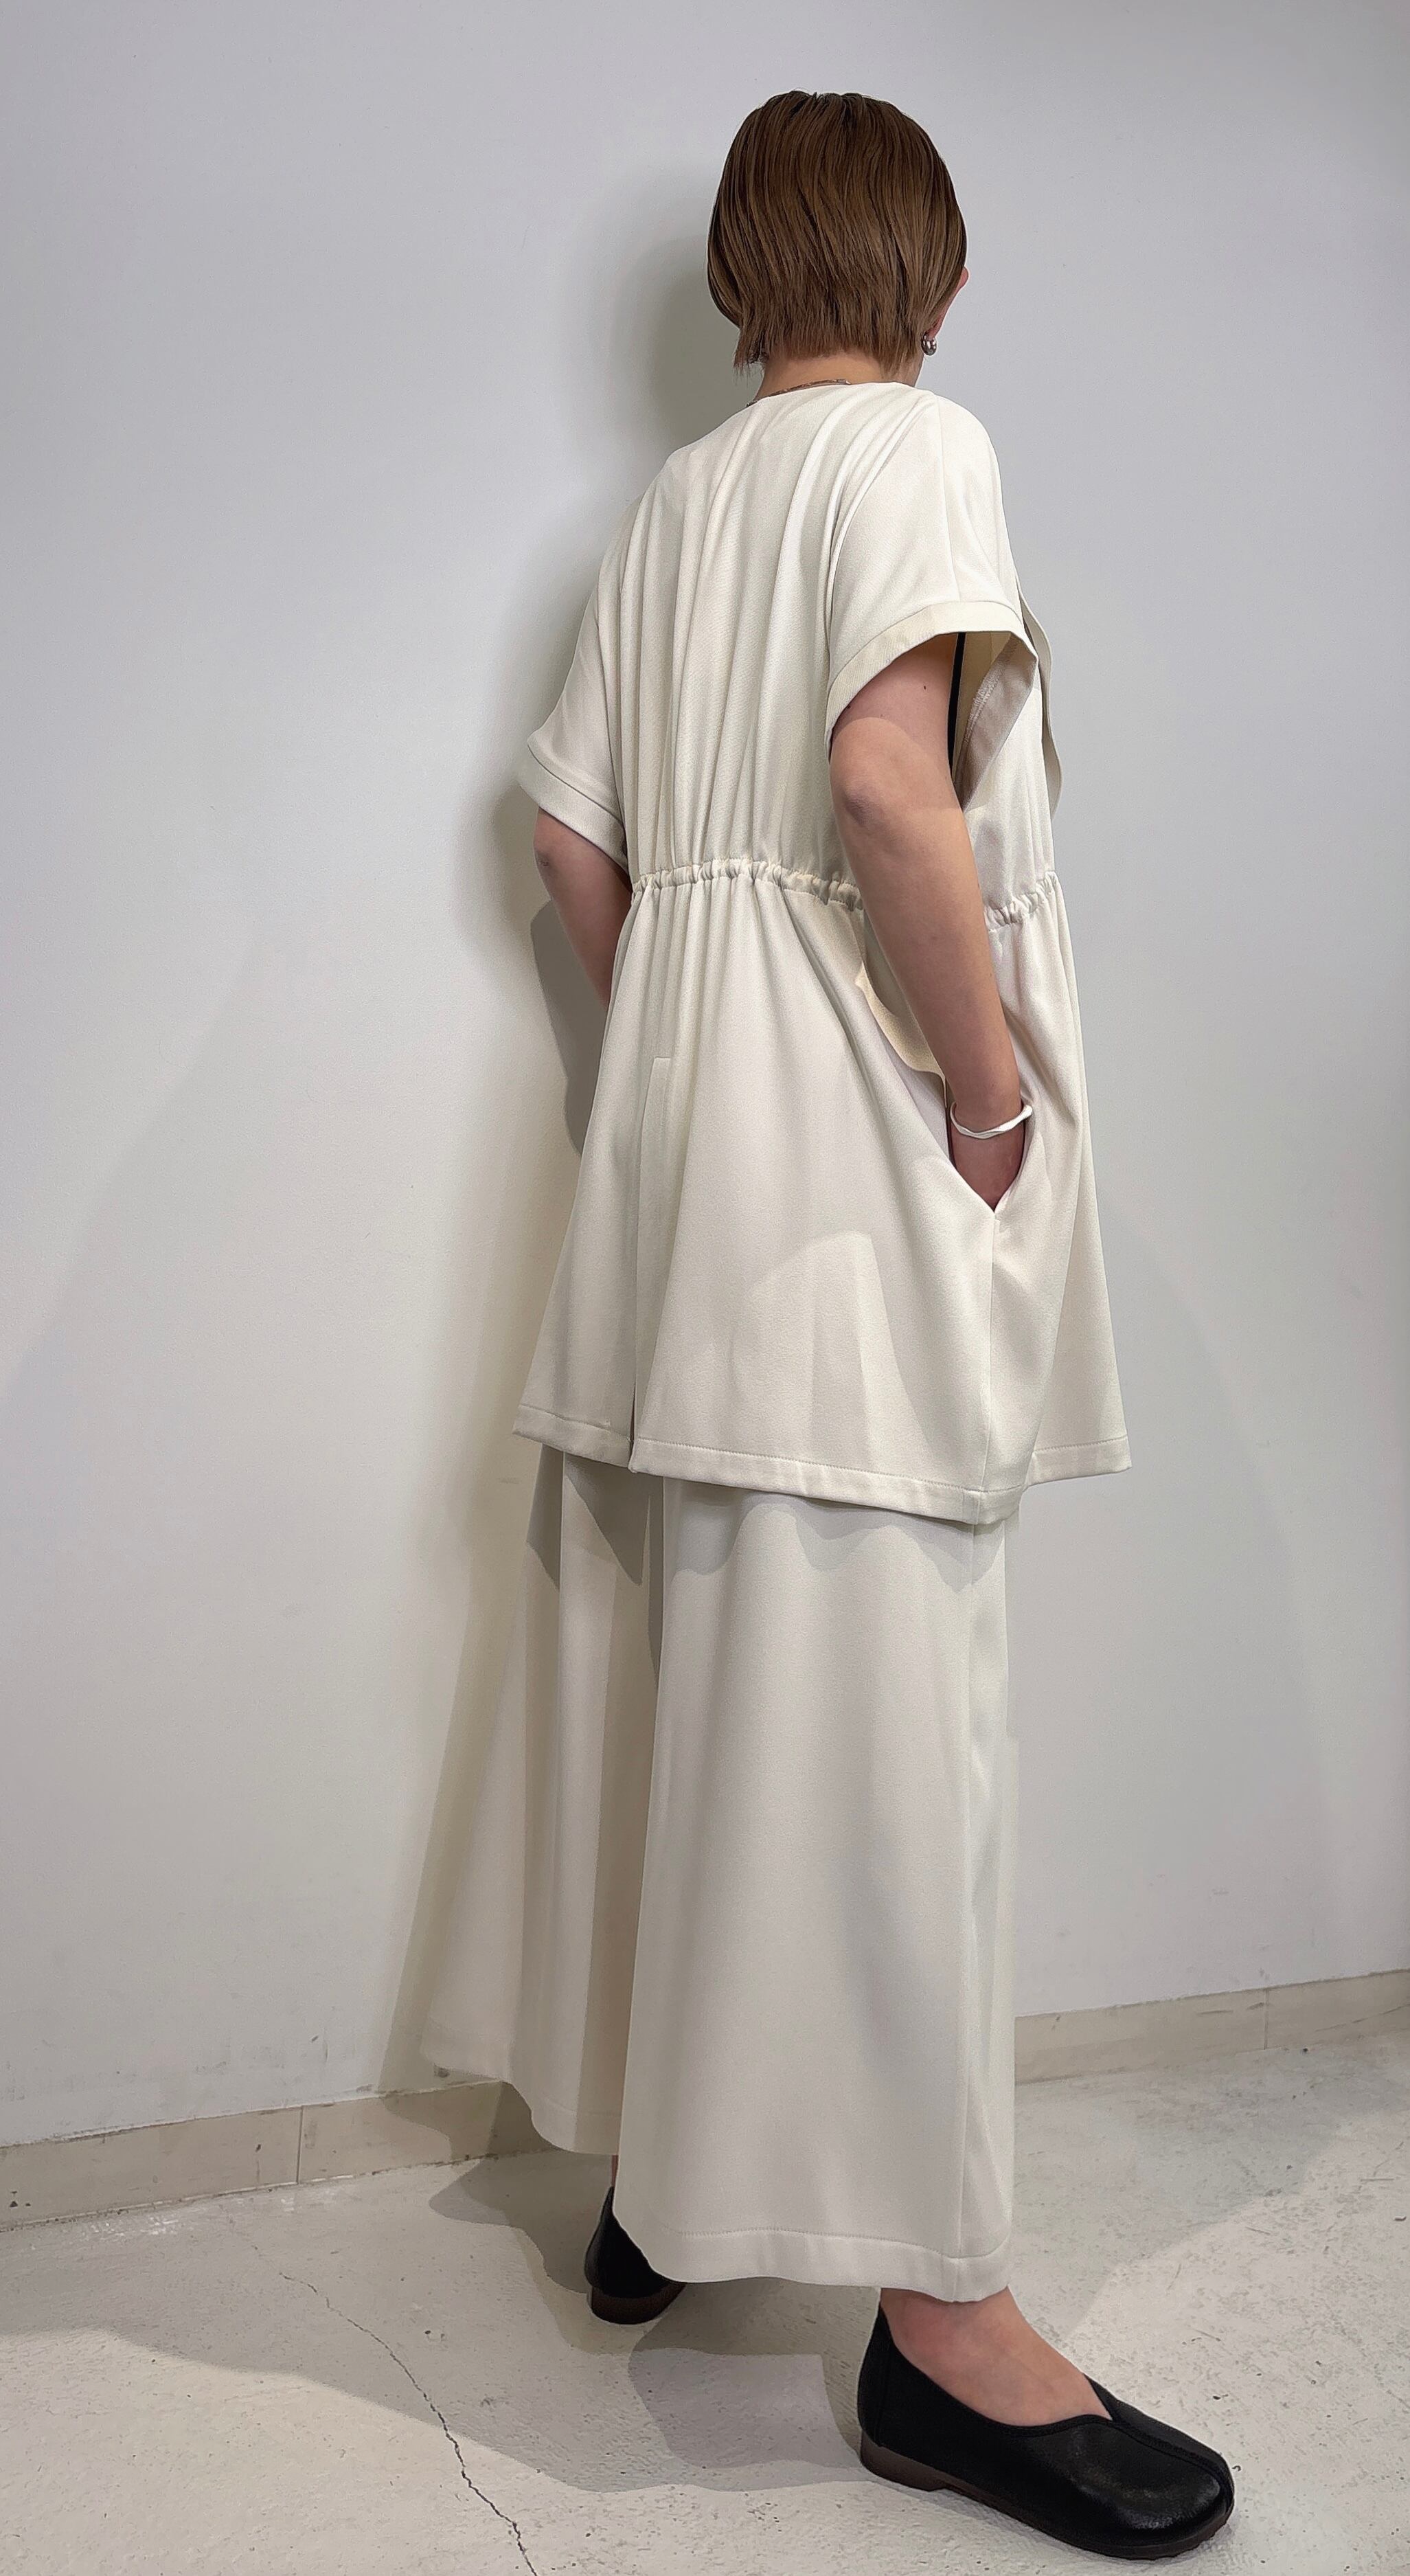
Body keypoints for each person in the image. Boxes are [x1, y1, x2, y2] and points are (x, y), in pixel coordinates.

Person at [425, 88, 1235, 2560]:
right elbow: (894, 786)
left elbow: (568, 838)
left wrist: (696, 1048)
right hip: (857, 1215)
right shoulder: (923, 451)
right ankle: (943, 2337)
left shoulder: (675, 509)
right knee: (898, 1740)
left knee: (700, 1678)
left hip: (690, 1213)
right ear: (936, 272)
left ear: (736, 279)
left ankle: (664, 2187)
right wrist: (980, 1102)